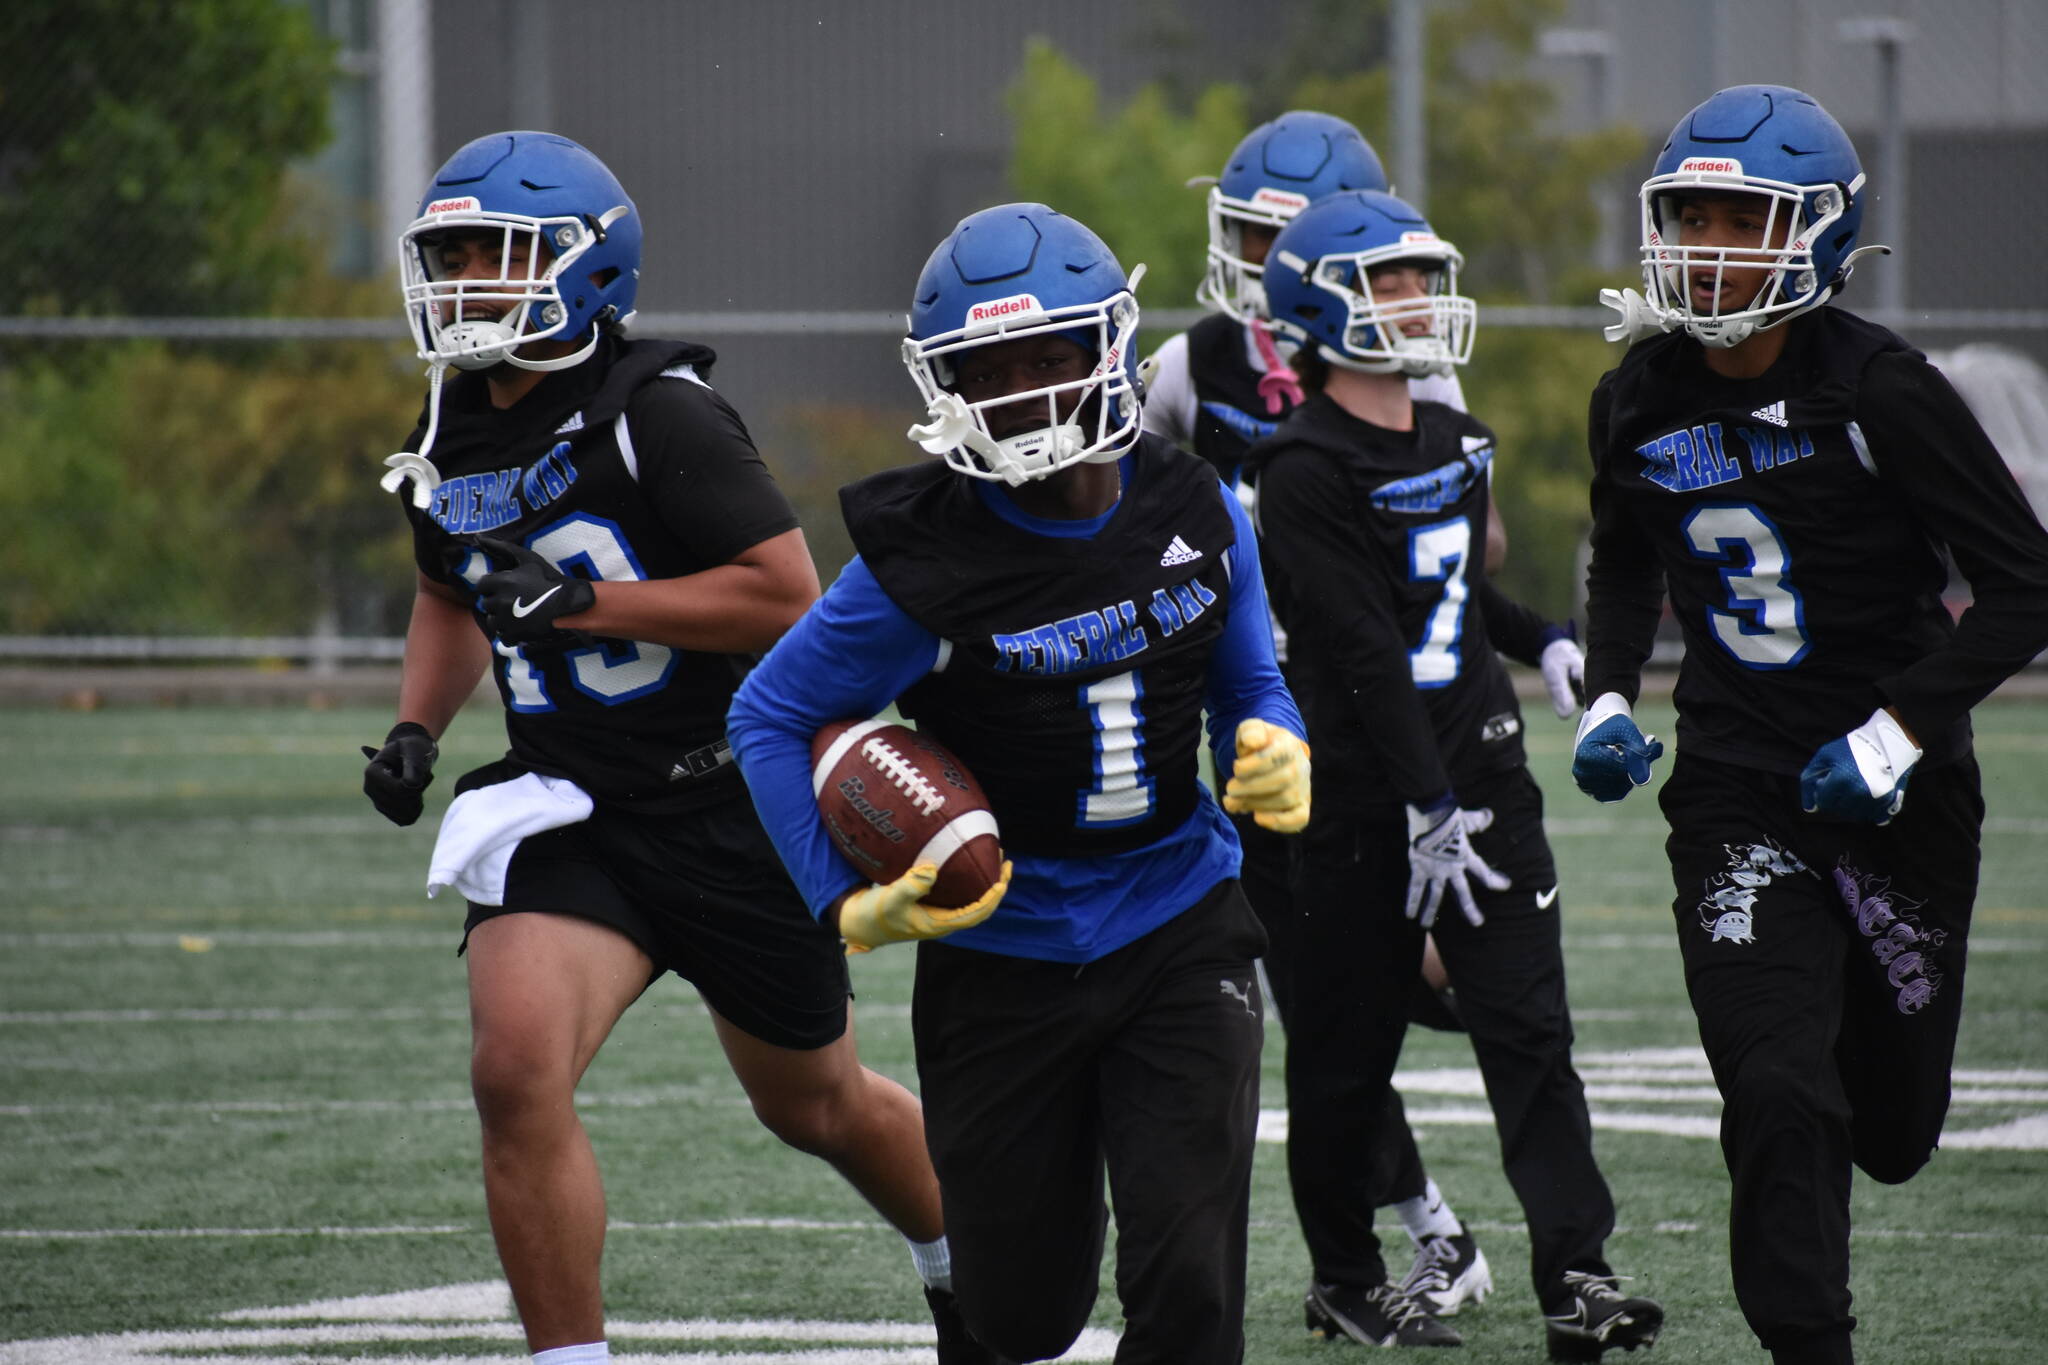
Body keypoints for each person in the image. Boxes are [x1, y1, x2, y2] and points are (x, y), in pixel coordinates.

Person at [358, 131, 983, 1364]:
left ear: (586, 271)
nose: (465, 283)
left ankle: (964, 1275)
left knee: (815, 1105)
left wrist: (593, 607)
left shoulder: (658, 413)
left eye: (495, 255)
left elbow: (784, 595)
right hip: (569, 806)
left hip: (725, 805)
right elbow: (449, 590)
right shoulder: (446, 416)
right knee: (514, 1068)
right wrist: (415, 728)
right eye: (451, 257)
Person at [727, 202, 1312, 1364]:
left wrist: (1276, 741)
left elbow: (1251, 679)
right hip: (1002, 954)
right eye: (991, 368)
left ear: (1109, 349)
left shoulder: (1196, 506)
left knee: (1188, 1286)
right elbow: (771, 712)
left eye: (1051, 357)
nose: (1030, 391)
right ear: (946, 385)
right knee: (1017, 1315)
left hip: (1177, 924)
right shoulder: (920, 561)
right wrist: (836, 899)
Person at [1577, 84, 2048, 1365]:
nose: (1708, 249)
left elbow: (2024, 583)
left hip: (1900, 796)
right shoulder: (1636, 394)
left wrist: (1896, 731)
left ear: (1820, 236)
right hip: (1733, 782)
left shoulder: (1882, 391)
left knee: (1888, 1134)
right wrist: (1611, 692)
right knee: (1777, 1091)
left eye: (1743, 219)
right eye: (1690, 218)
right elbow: (1621, 561)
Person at [1248, 187, 1662, 1362]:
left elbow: (1448, 599)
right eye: (1386, 281)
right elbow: (1362, 648)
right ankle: (1344, 1277)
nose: (1417, 299)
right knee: (1342, 1058)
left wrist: (1546, 640)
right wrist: (1423, 808)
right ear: (1318, 308)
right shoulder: (1298, 469)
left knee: (1530, 1035)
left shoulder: (1454, 439)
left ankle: (1576, 1275)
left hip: (1478, 776)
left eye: (1420, 276)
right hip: (1367, 804)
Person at [1143, 110, 1500, 1343]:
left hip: (1374, 711)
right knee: (1309, 990)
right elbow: (1131, 508)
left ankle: (1426, 1224)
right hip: (1247, 710)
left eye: (1286, 237)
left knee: (1403, 981)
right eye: (1247, 233)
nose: (1260, 262)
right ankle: (1413, 1234)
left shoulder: (1413, 365)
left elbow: (1472, 548)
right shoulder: (1191, 363)